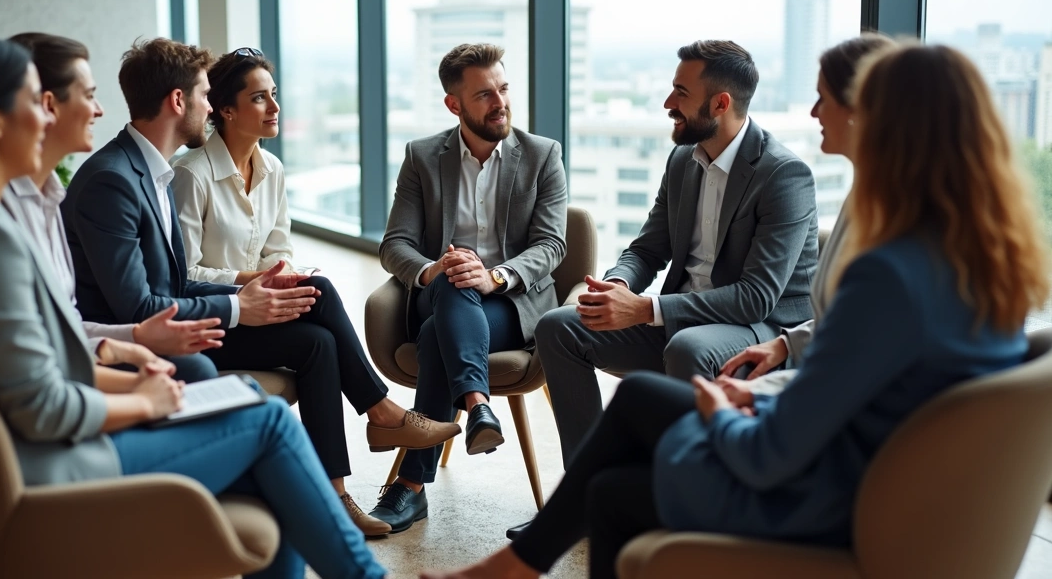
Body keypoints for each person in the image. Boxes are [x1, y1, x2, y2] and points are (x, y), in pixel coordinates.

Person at [420, 42, 1051, 579]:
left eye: (826, 97)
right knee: (603, 366)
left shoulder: (866, 253)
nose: (813, 111)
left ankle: (524, 554)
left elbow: (774, 425)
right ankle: (531, 546)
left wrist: (724, 407)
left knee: (630, 464)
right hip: (862, 462)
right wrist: (615, 288)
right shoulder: (978, 260)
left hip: (833, 487)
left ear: (883, 123)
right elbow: (650, 246)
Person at [0, 36, 387, 579]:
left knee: (256, 423)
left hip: (18, 453)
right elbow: (44, 406)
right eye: (40, 102)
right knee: (271, 424)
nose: (70, 113)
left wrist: (130, 354)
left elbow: (46, 356)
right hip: (44, 468)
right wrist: (145, 400)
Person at [171, 47, 459, 535]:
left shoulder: (273, 170)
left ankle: (335, 495)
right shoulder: (190, 174)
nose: (275, 108)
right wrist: (253, 283)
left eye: (274, 95)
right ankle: (382, 411)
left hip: (260, 308)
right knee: (322, 291)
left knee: (320, 342)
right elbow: (182, 275)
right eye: (259, 98)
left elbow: (276, 249)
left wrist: (279, 275)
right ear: (226, 109)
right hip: (211, 319)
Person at [535, 40, 820, 468]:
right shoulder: (683, 160)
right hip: (678, 318)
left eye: (681, 94)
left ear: (721, 103)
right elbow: (648, 248)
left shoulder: (783, 174)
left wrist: (645, 309)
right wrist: (617, 285)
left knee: (688, 348)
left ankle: (675, 498)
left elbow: (756, 297)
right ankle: (589, 488)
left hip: (759, 326)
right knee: (558, 328)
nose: (669, 103)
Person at [369, 43, 568, 534]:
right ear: (454, 105)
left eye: (503, 88)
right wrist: (436, 269)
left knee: (442, 328)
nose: (500, 101)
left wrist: (495, 276)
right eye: (484, 94)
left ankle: (411, 488)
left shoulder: (542, 155)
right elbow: (395, 244)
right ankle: (478, 407)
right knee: (455, 275)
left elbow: (552, 245)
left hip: (510, 305)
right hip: (443, 290)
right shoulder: (422, 157)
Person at [0, 32, 226, 384]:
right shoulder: (103, 181)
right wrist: (139, 388)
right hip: (60, 412)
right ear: (47, 106)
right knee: (259, 409)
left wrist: (130, 344)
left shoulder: (49, 196)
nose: (100, 109)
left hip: (91, 360)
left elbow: (65, 326)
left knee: (299, 346)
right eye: (89, 95)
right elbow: (31, 371)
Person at [720, 34, 896, 393]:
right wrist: (787, 345)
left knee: (655, 406)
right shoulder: (868, 194)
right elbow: (853, 324)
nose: (814, 112)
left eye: (823, 98)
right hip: (824, 390)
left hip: (845, 415)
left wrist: (753, 401)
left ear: (860, 109)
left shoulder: (896, 224)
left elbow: (859, 365)